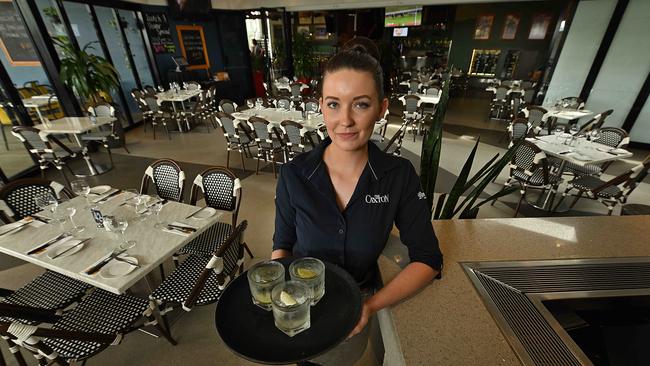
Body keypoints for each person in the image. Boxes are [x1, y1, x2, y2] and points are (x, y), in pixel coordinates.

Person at [272, 37, 443, 366]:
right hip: (303, 307)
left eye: (361, 104)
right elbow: (283, 244)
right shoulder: (294, 174)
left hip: (358, 312)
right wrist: (284, 300)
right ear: (320, 105)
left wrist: (370, 305)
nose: (345, 120)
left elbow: (428, 259)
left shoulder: (399, 176)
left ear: (382, 108)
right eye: (334, 104)